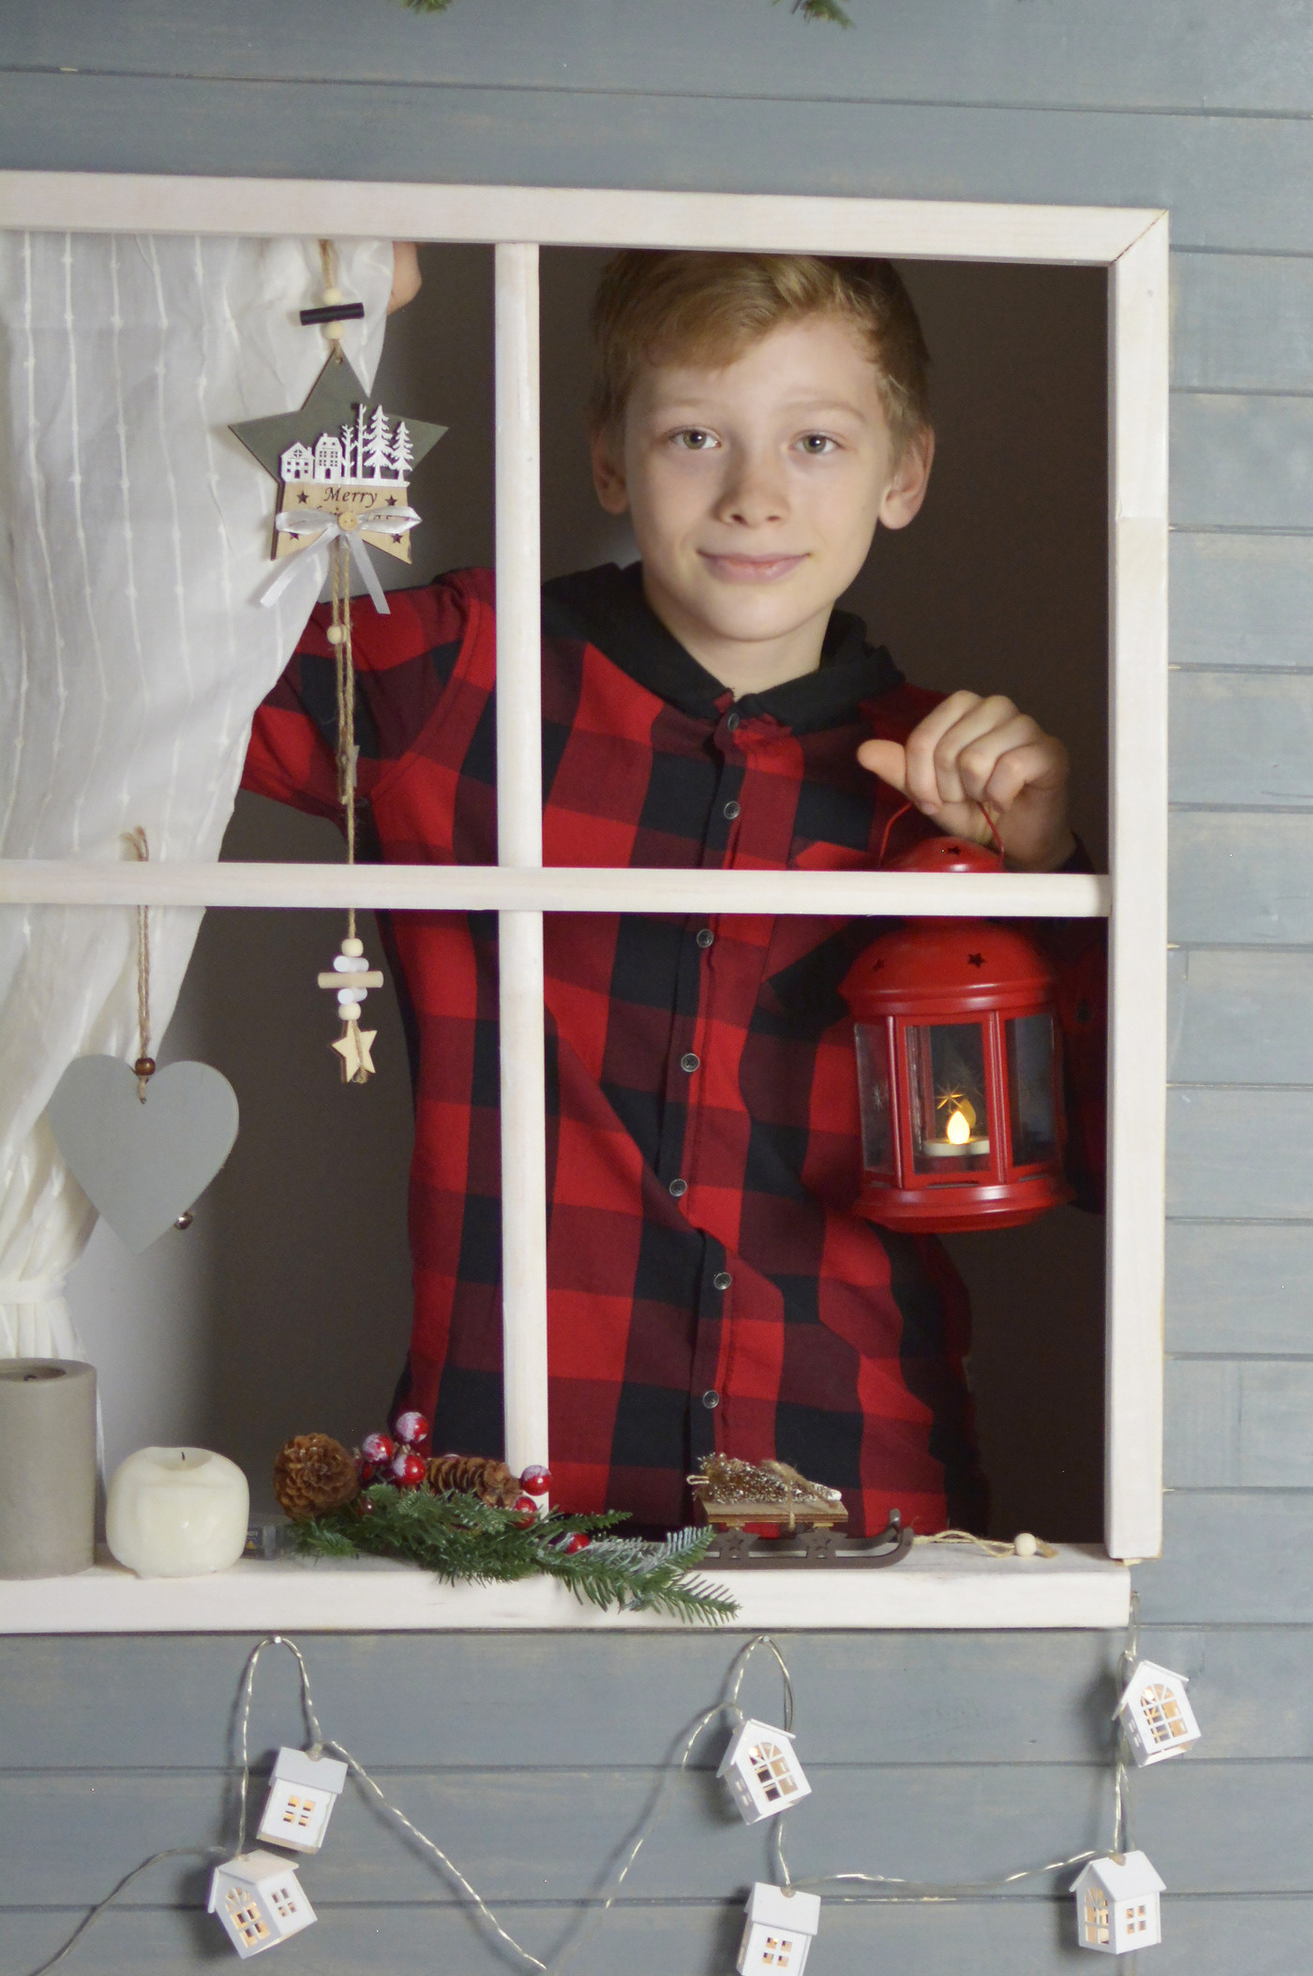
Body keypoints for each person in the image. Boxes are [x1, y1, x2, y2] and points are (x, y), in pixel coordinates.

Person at [243, 249, 1072, 1534]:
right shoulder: (459, 678)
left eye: (814, 442)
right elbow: (145, 682)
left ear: (903, 473)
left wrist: (1045, 877)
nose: (754, 497)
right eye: (697, 435)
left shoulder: (949, 785)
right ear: (611, 462)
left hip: (856, 1477)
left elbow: (1122, 1155)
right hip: (502, 1486)